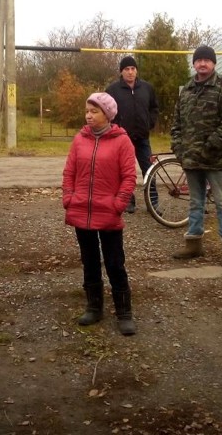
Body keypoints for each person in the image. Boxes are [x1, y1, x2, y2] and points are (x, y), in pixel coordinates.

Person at [62, 92, 138, 335]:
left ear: (107, 114)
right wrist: (68, 197)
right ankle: (94, 307)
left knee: (115, 262)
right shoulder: (79, 140)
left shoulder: (122, 141)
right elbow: (69, 172)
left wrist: (118, 204)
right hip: (81, 211)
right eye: (87, 111)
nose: (88, 116)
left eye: (94, 111)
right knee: (89, 261)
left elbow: (129, 177)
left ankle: (124, 312)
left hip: (109, 214)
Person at [170, 45, 222, 267]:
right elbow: (177, 123)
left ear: (214, 63)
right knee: (195, 202)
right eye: (198, 60)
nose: (202, 64)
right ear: (194, 63)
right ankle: (194, 244)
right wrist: (179, 149)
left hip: (215, 159)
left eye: (206, 60)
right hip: (190, 159)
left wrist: (210, 147)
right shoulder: (187, 89)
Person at [105, 56, 160, 214]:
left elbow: (154, 107)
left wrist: (149, 123)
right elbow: (107, 111)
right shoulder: (113, 90)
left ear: (136, 71)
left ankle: (153, 202)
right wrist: (115, 127)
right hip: (122, 138)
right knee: (124, 171)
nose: (130, 72)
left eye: (133, 69)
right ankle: (128, 200)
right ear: (121, 72)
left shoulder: (147, 88)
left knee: (149, 169)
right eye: (126, 69)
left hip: (142, 137)